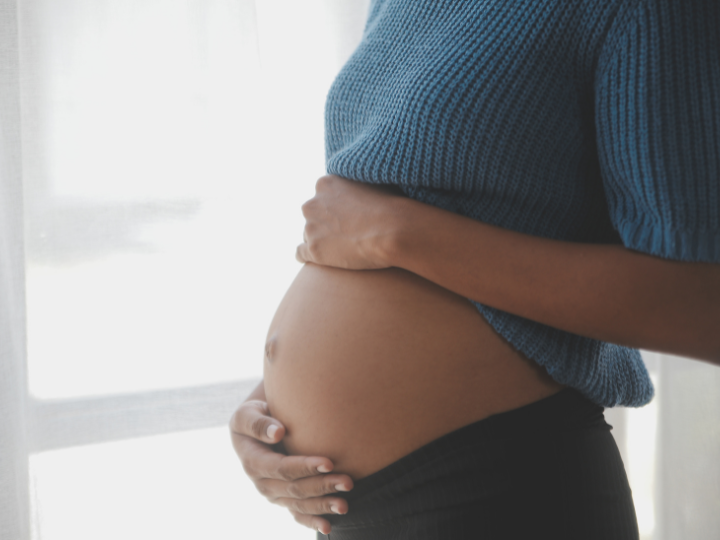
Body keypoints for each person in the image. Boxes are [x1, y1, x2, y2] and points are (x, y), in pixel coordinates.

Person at [230, 0, 720, 538]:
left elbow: (702, 304)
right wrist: (275, 412)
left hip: (498, 490)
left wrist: (402, 235)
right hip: (349, 510)